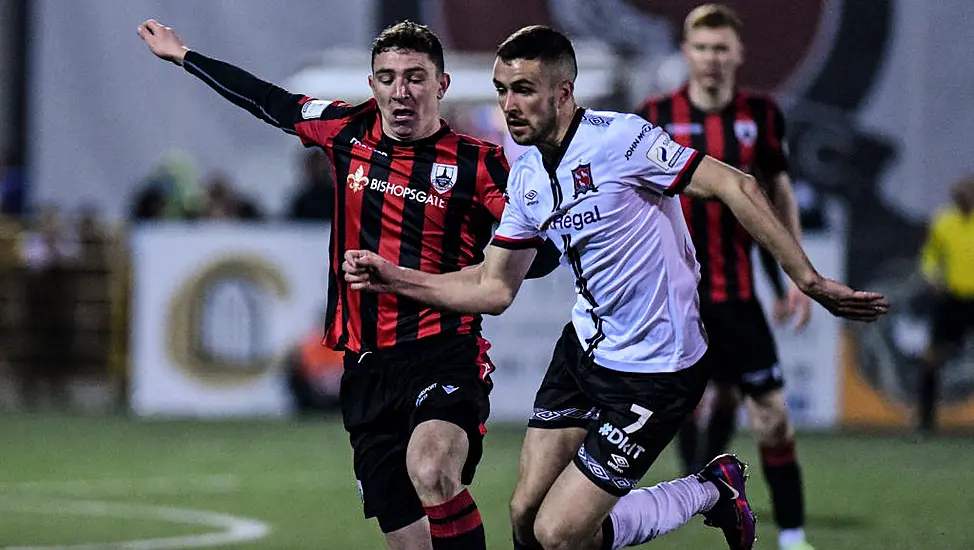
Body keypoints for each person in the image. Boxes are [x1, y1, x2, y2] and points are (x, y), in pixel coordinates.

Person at [343, 25, 889, 550]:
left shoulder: (620, 141)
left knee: (559, 534)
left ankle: (711, 490)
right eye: (502, 91)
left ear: (563, 93)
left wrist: (806, 277)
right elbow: (493, 288)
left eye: (525, 90)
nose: (510, 105)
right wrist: (396, 278)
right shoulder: (529, 174)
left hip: (657, 369)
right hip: (584, 354)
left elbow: (735, 183)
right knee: (525, 519)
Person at [138, 18, 559, 550]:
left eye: (414, 77)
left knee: (432, 469)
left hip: (443, 352)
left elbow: (537, 255)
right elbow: (268, 100)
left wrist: (527, 244)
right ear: (371, 84)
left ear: (442, 84)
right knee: (410, 540)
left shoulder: (481, 164)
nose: (399, 92)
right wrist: (185, 56)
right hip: (364, 367)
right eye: (386, 77)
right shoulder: (346, 130)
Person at [634, 5, 815, 549]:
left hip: (737, 295)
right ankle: (700, 485)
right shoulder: (654, 112)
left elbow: (775, 194)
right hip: (675, 297)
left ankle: (793, 535)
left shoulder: (759, 113)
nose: (712, 58)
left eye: (721, 48)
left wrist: (793, 272)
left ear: (737, 53)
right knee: (682, 402)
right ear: (686, 53)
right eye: (702, 47)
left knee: (774, 418)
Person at [918, 174, 974, 434]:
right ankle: (926, 422)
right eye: (957, 195)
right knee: (931, 359)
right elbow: (930, 255)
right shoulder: (943, 222)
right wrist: (932, 274)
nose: (961, 199)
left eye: (966, 194)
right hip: (952, 299)